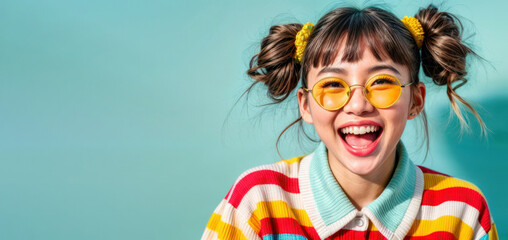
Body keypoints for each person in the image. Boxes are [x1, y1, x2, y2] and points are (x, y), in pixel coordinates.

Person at [202, 4, 498, 240]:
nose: (358, 105)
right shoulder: (257, 202)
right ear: (305, 105)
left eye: (382, 81)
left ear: (416, 101)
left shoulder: (463, 211)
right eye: (332, 84)